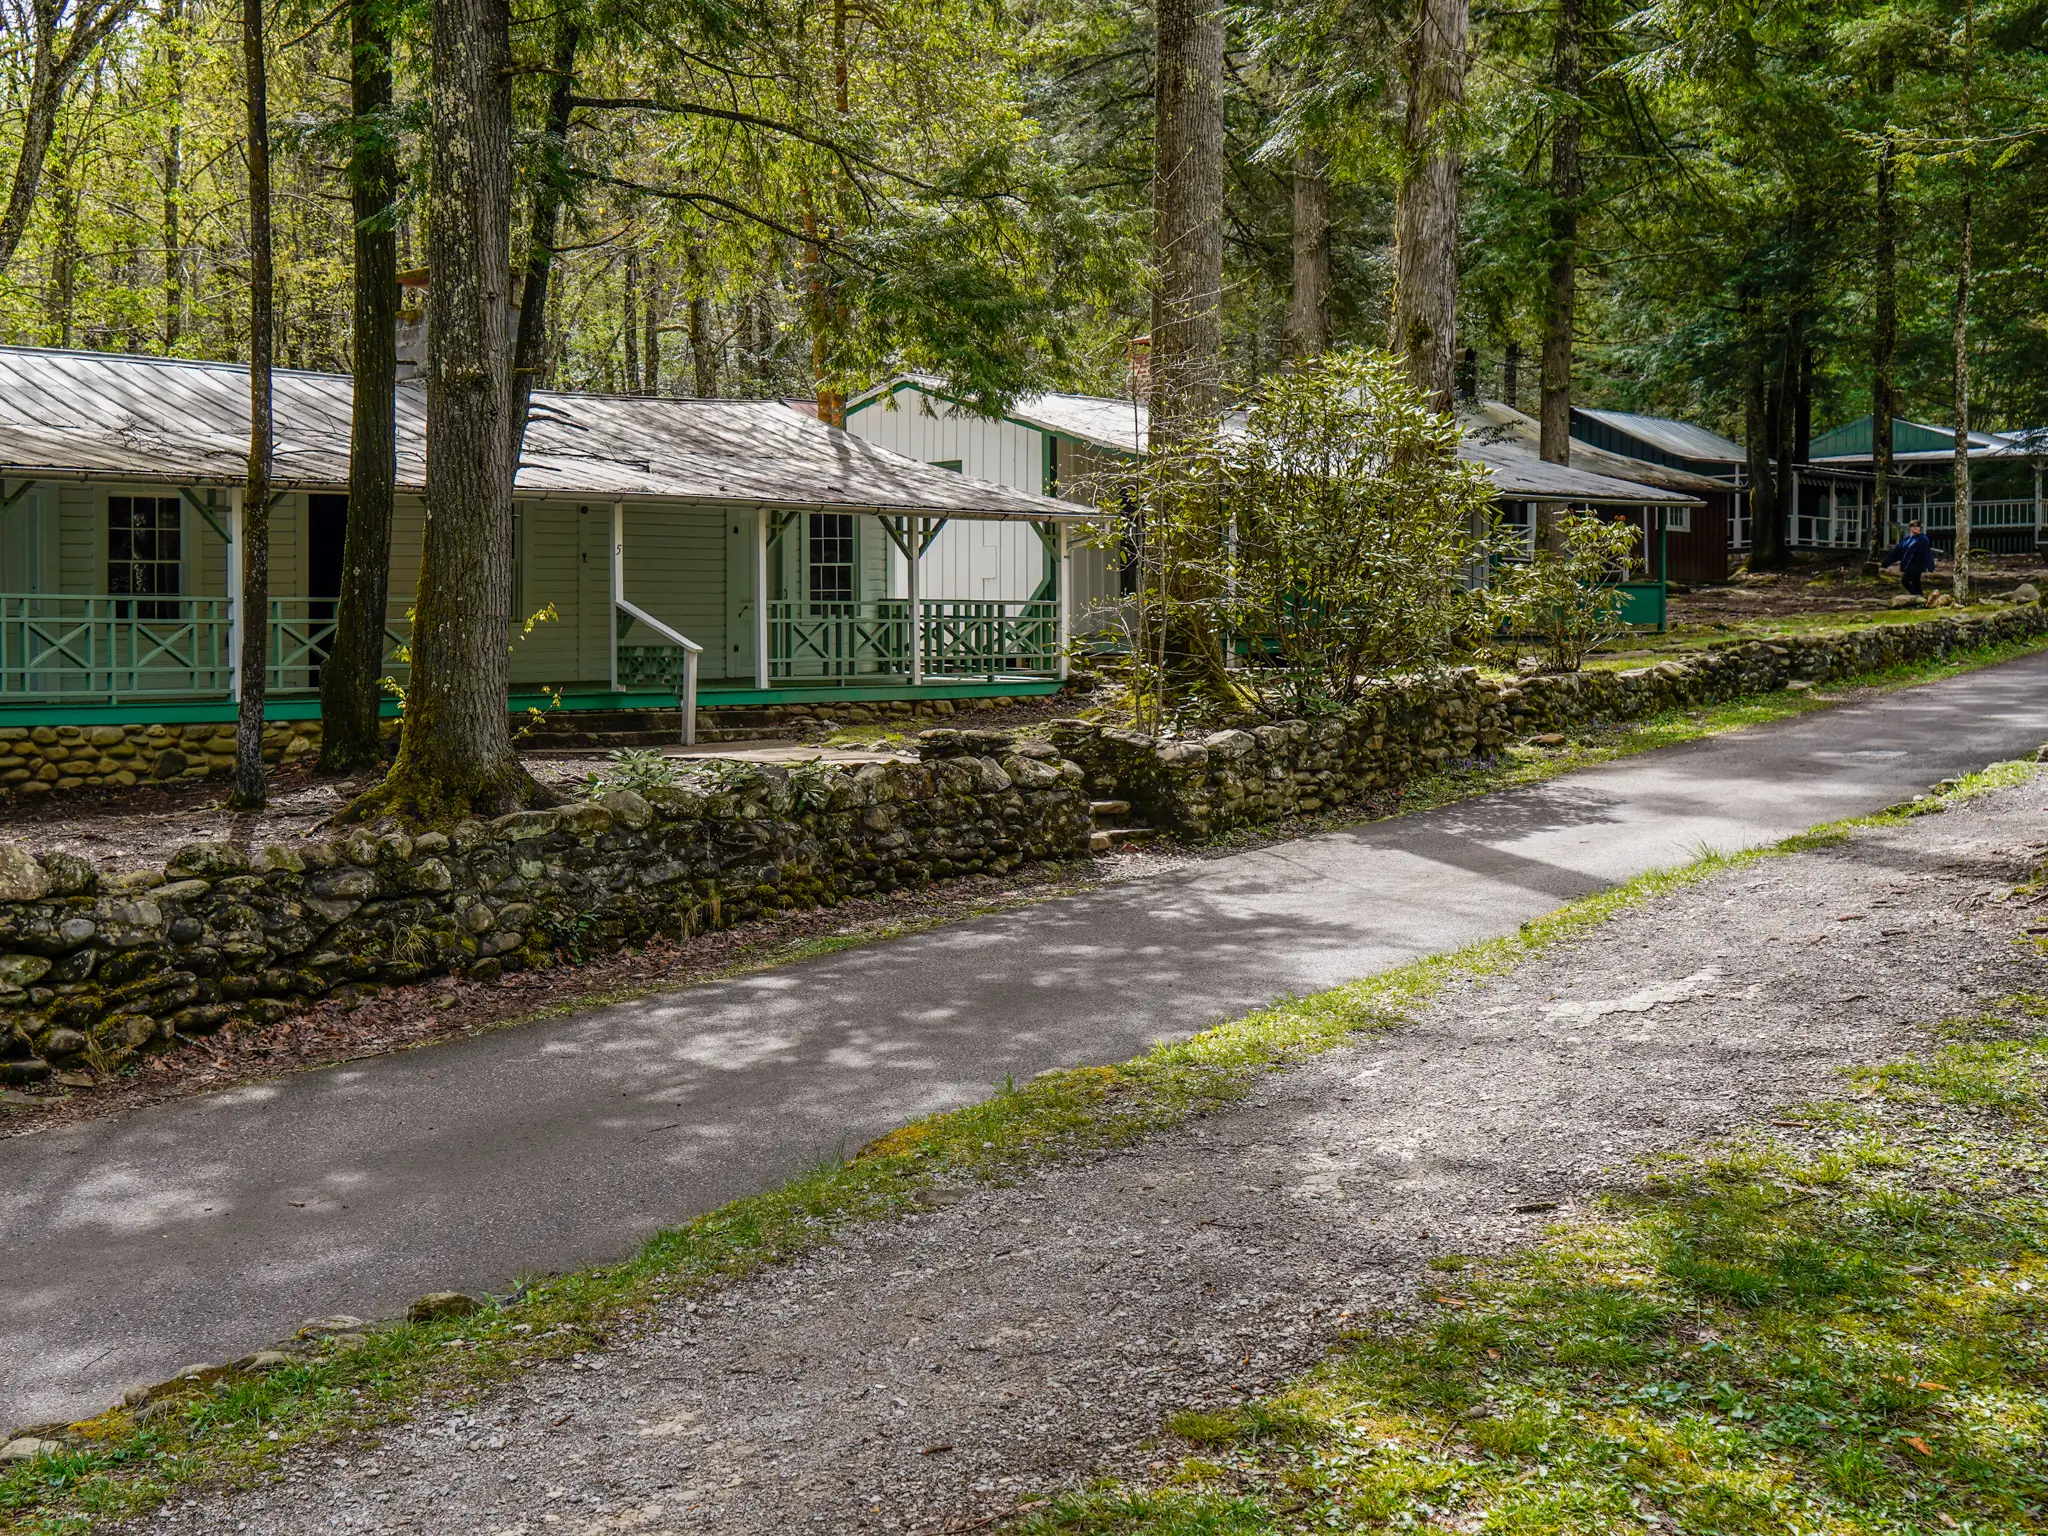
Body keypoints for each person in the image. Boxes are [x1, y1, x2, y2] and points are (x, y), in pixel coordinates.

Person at [1882, 520, 1937, 595]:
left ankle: (1915, 595)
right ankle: (1919, 598)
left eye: (1917, 526)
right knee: (1916, 582)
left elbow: (1927, 552)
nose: (1916, 528)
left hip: (1917, 564)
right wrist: (1886, 562)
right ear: (1910, 528)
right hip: (1908, 564)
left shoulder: (1923, 538)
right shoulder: (1907, 539)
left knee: (1905, 581)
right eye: (1914, 526)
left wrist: (1931, 566)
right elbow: (1897, 551)